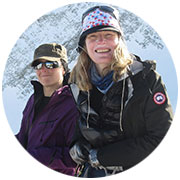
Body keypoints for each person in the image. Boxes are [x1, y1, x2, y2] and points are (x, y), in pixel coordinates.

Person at [69, 5, 173, 177]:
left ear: (119, 40)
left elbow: (160, 138)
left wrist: (103, 157)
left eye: (108, 35)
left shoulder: (146, 79)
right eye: (93, 37)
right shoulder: (77, 83)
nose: (101, 41)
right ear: (84, 46)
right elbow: (80, 126)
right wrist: (77, 146)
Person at [16, 43, 79, 176]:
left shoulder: (73, 102)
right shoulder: (33, 99)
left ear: (63, 69)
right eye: (38, 65)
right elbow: (24, 135)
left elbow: (77, 155)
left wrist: (36, 157)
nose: (43, 69)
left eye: (51, 64)